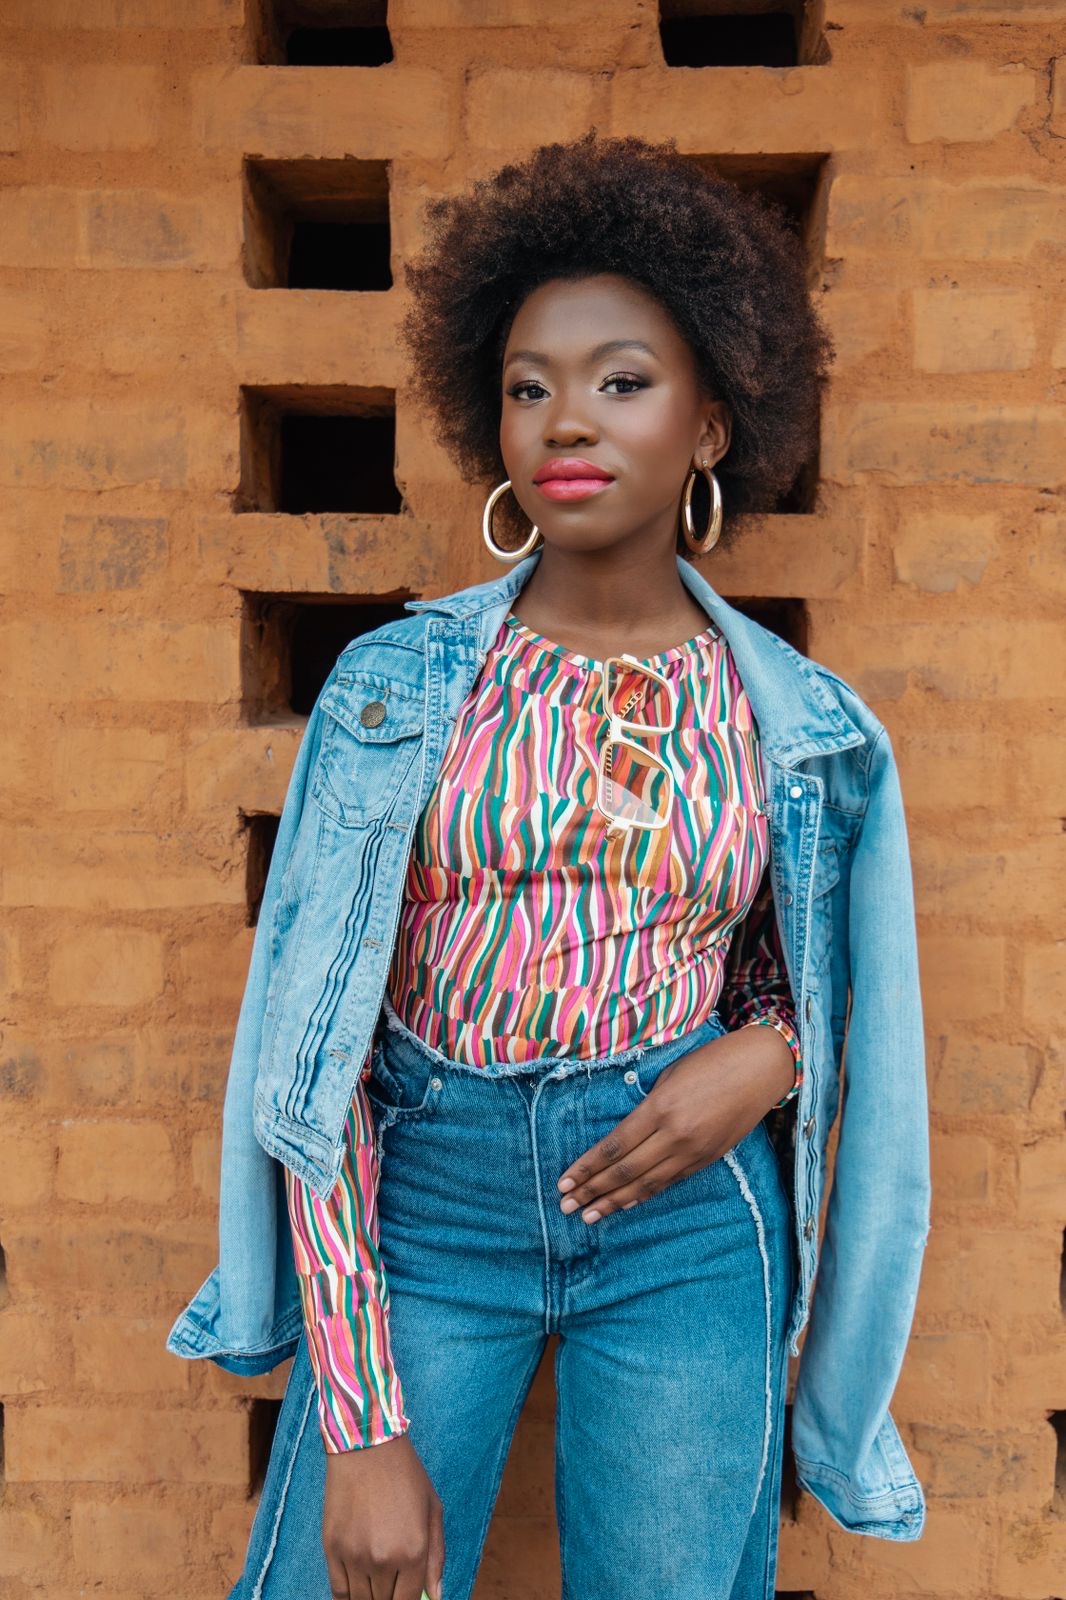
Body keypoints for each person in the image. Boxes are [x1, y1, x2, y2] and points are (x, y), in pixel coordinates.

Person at [167, 134, 932, 1600]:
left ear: (711, 423)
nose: (566, 421)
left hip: (688, 1229)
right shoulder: (397, 689)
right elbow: (310, 1058)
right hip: (427, 1203)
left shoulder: (804, 729)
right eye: (529, 387)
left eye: (620, 382)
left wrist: (759, 1058)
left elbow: (819, 991)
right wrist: (362, 1420)